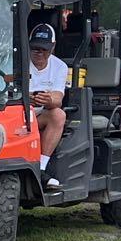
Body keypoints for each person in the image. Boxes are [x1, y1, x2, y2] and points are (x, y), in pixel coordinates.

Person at [24, 21, 69, 191]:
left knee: (58, 114)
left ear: (52, 47)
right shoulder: (17, 61)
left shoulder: (59, 67)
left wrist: (47, 99)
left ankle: (41, 168)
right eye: (35, 48)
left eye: (44, 49)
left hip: (40, 115)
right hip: (17, 113)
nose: (39, 53)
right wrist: (25, 97)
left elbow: (58, 98)